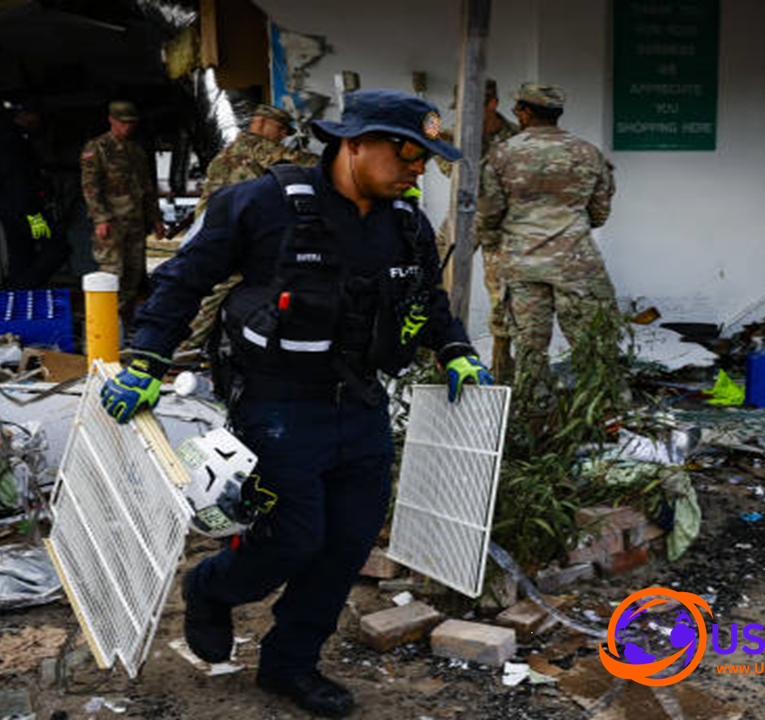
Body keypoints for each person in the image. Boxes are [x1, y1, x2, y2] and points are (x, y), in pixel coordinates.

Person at [98, 89, 494, 717]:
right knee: (291, 540)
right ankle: (209, 587)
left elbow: (428, 303)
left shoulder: (406, 225)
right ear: (354, 142)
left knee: (348, 542)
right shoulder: (262, 202)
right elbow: (183, 277)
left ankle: (290, 665)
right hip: (278, 406)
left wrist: (455, 350)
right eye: (409, 153)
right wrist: (146, 360)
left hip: (361, 403)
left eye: (426, 157)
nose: (420, 167)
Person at [477, 82, 616, 421]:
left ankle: (536, 420)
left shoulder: (502, 154)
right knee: (591, 346)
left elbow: (487, 213)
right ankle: (599, 417)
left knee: (529, 348)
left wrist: (500, 240)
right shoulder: (588, 153)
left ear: (524, 112)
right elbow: (600, 212)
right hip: (575, 264)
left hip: (521, 265)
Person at [177, 103, 320, 355]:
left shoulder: (232, 150)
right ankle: (183, 346)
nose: (282, 137)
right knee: (216, 289)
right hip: (225, 232)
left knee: (210, 286)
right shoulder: (254, 146)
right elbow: (305, 164)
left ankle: (188, 344)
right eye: (281, 130)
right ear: (264, 124)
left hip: (214, 227)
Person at [435, 79, 520, 380]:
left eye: (470, 110)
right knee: (436, 282)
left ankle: (502, 366)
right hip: (462, 220)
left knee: (502, 298)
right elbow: (449, 170)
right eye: (460, 110)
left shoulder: (516, 138)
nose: (463, 116)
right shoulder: (456, 134)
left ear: (492, 105)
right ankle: (437, 357)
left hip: (501, 226)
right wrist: (439, 142)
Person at [80, 100, 165, 322]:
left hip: (135, 222)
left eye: (131, 123)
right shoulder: (97, 148)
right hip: (112, 222)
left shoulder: (135, 151)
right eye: (122, 123)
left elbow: (147, 187)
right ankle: (108, 325)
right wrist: (100, 218)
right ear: (111, 120)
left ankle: (124, 324)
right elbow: (90, 187)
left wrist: (156, 219)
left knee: (134, 274)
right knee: (112, 273)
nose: (127, 128)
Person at [0, 98, 69, 288]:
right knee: (56, 247)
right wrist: (33, 212)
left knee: (22, 251)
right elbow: (17, 179)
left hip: (11, 207)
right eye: (36, 115)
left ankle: (20, 293)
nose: (38, 120)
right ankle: (24, 286)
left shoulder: (9, 136)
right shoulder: (14, 140)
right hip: (26, 210)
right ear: (26, 116)